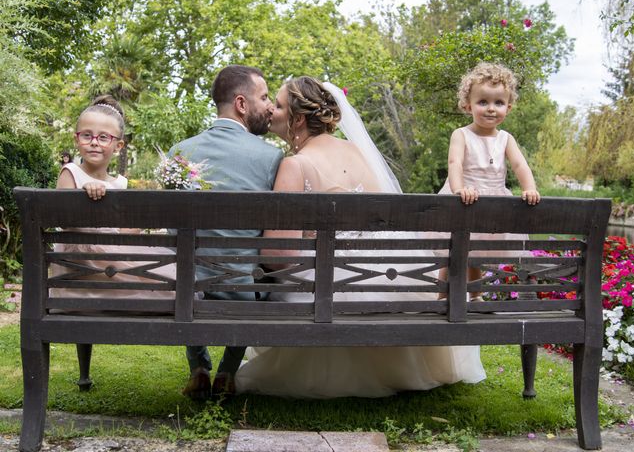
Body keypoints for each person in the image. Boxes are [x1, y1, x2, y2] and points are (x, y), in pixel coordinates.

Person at [233, 76, 486, 398]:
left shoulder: (295, 165)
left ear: (297, 119)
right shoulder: (358, 152)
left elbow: (278, 255)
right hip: (392, 271)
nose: (271, 111)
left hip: (329, 282)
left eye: (279, 105)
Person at [168, 65, 283, 400]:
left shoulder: (180, 152)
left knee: (187, 265)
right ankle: (227, 371)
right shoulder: (271, 157)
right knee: (261, 269)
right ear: (242, 104)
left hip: (191, 287)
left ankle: (198, 367)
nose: (270, 107)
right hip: (243, 290)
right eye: (263, 97)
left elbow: (172, 233)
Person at [50, 95, 175, 299]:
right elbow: (62, 221)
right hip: (80, 262)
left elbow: (121, 230)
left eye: (103, 137)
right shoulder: (70, 172)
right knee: (160, 285)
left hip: (110, 259)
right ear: (76, 139)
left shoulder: (120, 183)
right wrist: (83, 196)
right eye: (87, 136)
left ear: (118, 146)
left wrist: (137, 224)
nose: (94, 143)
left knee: (167, 278)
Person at [436, 62, 540, 301]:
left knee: (477, 250)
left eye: (499, 103)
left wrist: (530, 188)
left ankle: (475, 296)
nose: (491, 109)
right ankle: (442, 295)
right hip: (465, 196)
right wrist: (459, 188)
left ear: (509, 107)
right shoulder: (461, 134)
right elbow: (455, 164)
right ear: (467, 105)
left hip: (493, 200)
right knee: (452, 250)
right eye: (483, 102)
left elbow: (520, 165)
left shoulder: (506, 138)